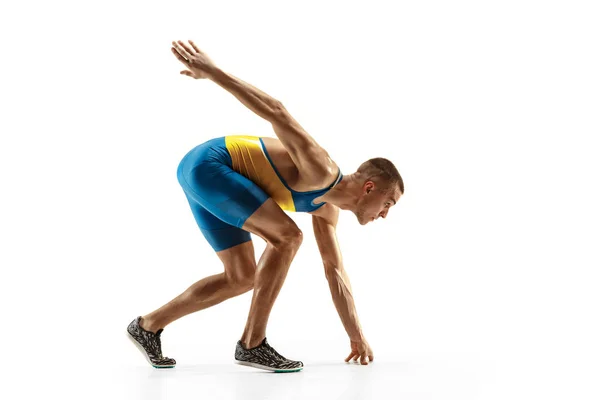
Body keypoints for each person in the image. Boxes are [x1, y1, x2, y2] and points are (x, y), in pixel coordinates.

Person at [126, 40, 404, 372]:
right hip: (210, 166)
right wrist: (213, 73)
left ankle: (147, 325)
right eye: (388, 203)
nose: (385, 214)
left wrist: (356, 336)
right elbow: (276, 110)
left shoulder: (326, 211)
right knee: (287, 237)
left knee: (243, 277)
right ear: (369, 188)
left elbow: (335, 273)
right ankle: (252, 344)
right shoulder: (322, 169)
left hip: (209, 180)